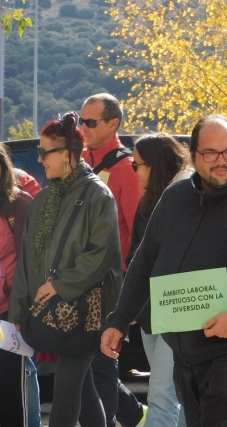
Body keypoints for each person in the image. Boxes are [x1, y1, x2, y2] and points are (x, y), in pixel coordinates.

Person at [101, 114, 227, 427]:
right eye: (210, 153)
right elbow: (144, 262)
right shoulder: (174, 198)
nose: (221, 161)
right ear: (194, 155)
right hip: (184, 348)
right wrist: (120, 319)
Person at [9, 112, 123, 427]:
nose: (41, 158)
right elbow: (28, 260)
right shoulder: (44, 198)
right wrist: (19, 310)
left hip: (87, 313)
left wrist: (61, 285)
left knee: (66, 391)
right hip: (49, 313)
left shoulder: (98, 194)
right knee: (82, 388)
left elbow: (102, 255)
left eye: (47, 152)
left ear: (69, 155)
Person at [80, 92, 146, 427]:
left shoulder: (125, 168)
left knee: (102, 363)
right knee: (87, 362)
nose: (83, 128)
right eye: (81, 120)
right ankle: (134, 414)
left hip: (111, 282)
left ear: (113, 124)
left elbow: (138, 232)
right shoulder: (80, 162)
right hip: (79, 281)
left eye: (90, 122)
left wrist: (131, 293)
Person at [128, 134, 192, 427]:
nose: (135, 171)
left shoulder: (189, 195)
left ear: (154, 165)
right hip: (149, 312)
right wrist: (130, 304)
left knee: (161, 396)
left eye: (136, 165)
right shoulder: (148, 201)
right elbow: (137, 258)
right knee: (175, 395)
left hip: (179, 308)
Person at [0, 145, 35, 426]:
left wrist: (25, 307)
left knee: (11, 389)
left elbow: (35, 258)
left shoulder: (19, 204)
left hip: (9, 317)